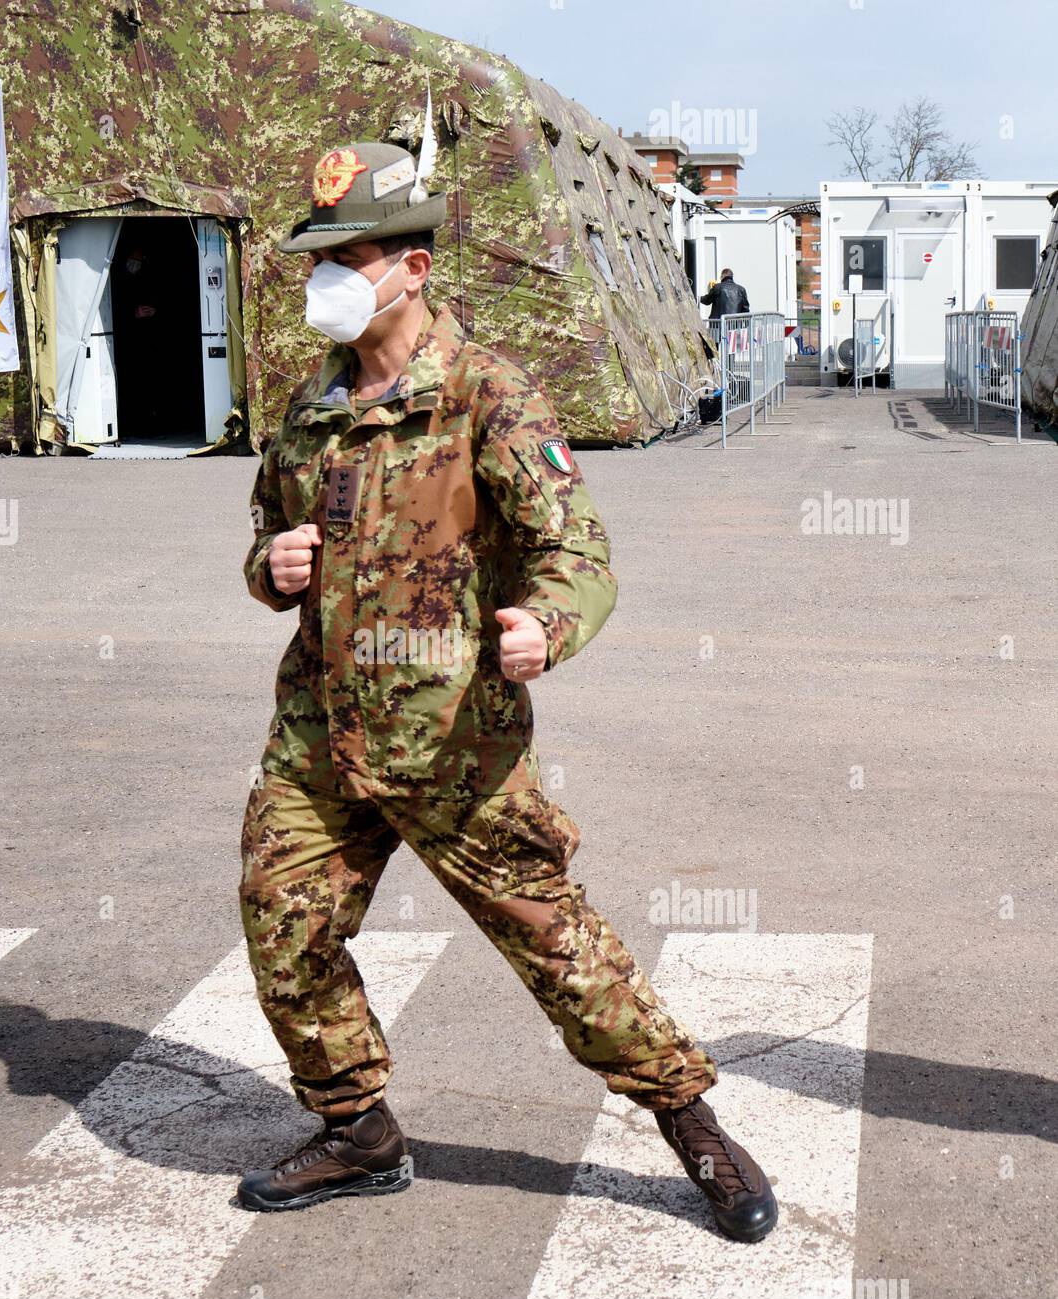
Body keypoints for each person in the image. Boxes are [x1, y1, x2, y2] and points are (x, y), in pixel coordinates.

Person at [234, 141, 777, 1243]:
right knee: (283, 924)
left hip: (453, 748)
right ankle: (357, 1128)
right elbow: (261, 539)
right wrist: (271, 566)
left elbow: (574, 550)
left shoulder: (488, 395)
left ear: (414, 270)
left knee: (557, 947)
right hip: (319, 735)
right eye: (321, 255)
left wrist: (548, 625)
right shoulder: (310, 407)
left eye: (354, 255)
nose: (326, 277)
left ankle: (690, 1121)